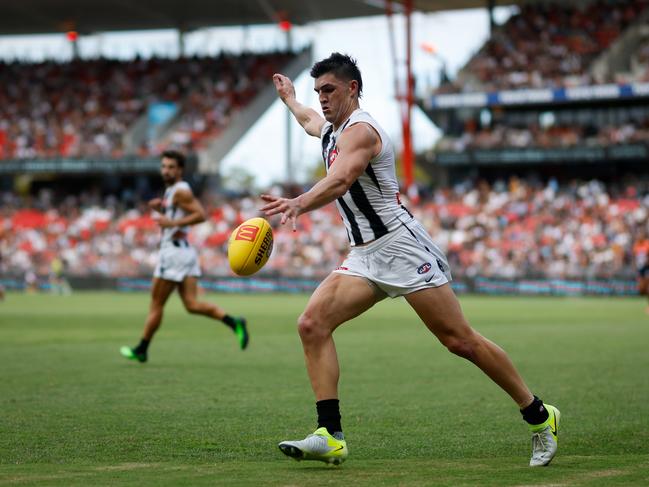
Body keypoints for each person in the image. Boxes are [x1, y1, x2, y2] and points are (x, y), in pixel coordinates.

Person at [261, 53, 559, 467]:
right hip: (364, 255)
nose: (322, 99)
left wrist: (299, 202)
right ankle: (330, 434)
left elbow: (342, 178)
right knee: (312, 324)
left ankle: (539, 416)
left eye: (328, 90)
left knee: (460, 341)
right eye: (318, 92)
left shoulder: (362, 131)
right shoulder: (331, 129)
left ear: (352, 89)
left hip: (401, 247)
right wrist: (291, 100)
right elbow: (311, 122)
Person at [120, 150, 249, 363]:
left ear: (180, 170)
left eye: (171, 167)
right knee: (191, 304)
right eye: (164, 166)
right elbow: (177, 218)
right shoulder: (173, 191)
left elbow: (200, 215)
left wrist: (171, 223)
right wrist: (161, 213)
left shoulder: (180, 190)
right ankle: (234, 322)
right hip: (184, 251)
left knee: (156, 305)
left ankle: (142, 348)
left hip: (173, 254)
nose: (166, 170)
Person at [633, 229, 649, 313]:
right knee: (642, 289)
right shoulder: (636, 245)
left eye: (640, 235)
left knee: (647, 288)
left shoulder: (647, 244)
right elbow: (635, 257)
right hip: (641, 268)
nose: (639, 237)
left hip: (647, 267)